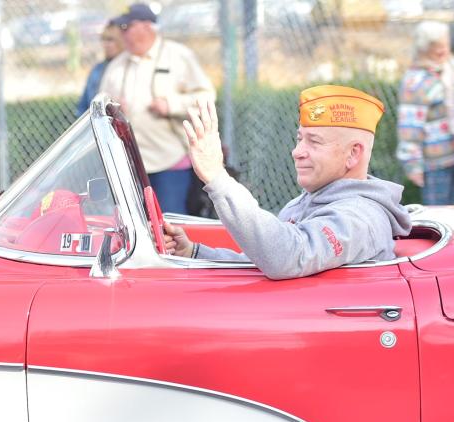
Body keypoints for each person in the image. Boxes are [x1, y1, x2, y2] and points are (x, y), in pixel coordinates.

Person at [164, 86, 412, 280]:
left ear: (353, 154)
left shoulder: (359, 218)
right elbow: (263, 261)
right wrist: (194, 253)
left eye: (314, 142)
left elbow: (287, 258)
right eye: (299, 139)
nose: (297, 151)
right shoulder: (303, 203)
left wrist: (217, 178)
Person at [98, 2, 215, 215]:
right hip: (129, 163)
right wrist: (112, 107)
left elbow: (207, 96)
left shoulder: (178, 56)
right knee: (133, 225)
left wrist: (171, 104)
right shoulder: (117, 65)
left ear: (146, 26)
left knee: (171, 224)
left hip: (169, 160)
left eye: (126, 27)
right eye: (120, 28)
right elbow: (99, 103)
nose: (121, 34)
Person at [397, 21, 454, 205]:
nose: (443, 48)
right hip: (437, 163)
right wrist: (413, 164)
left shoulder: (448, 69)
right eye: (436, 45)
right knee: (441, 215)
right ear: (424, 48)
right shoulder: (416, 81)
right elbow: (410, 126)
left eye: (444, 42)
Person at [76, 23, 124, 118]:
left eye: (110, 40)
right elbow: (83, 106)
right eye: (103, 40)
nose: (105, 44)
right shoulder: (97, 70)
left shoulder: (128, 68)